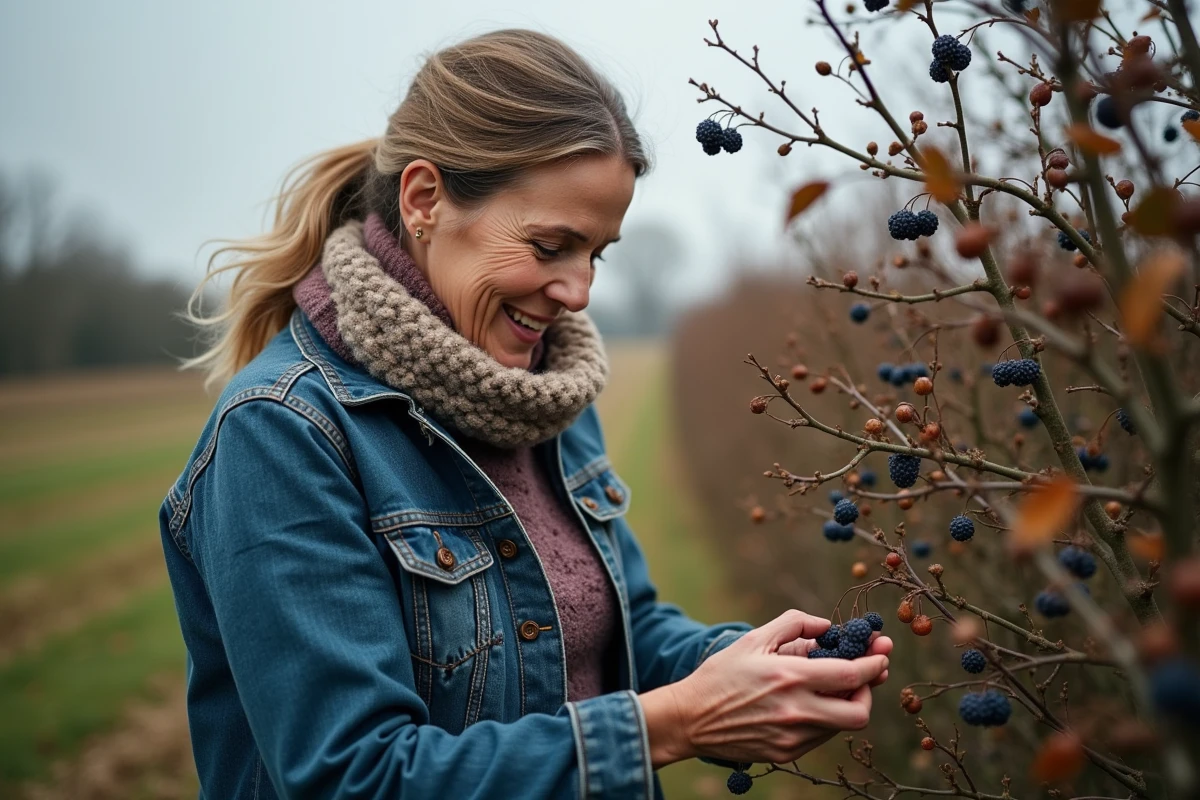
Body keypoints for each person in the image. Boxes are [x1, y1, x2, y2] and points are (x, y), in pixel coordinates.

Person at [160, 28, 892, 799]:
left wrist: (748, 668)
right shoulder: (282, 434)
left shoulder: (543, 392)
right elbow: (354, 776)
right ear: (423, 201)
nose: (578, 291)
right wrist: (676, 724)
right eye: (550, 246)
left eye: (596, 254)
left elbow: (617, 632)